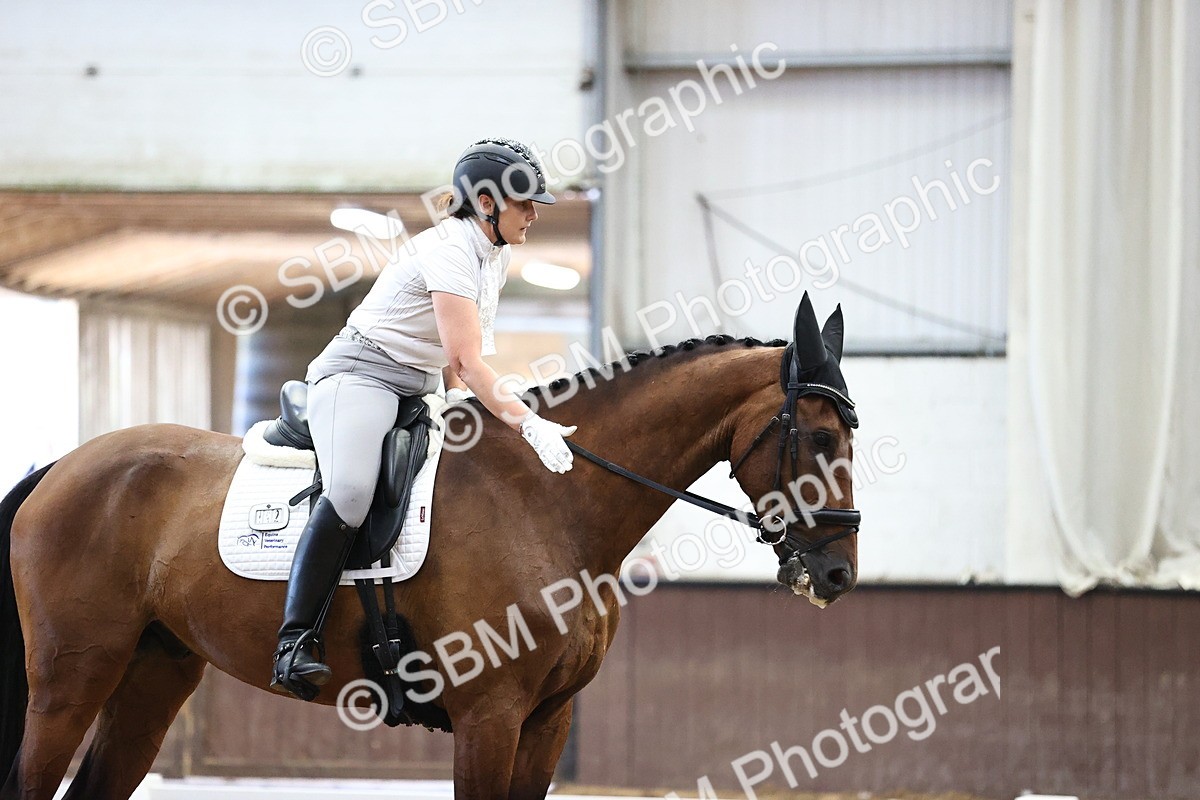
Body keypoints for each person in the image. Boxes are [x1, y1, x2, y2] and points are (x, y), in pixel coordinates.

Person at [271, 137, 577, 700]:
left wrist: (461, 402)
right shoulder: (450, 250)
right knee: (353, 490)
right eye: (524, 203)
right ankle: (295, 641)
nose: (534, 214)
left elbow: (459, 360)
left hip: (418, 384)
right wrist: (527, 422)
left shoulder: (495, 254)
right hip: (360, 375)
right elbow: (468, 359)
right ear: (486, 203)